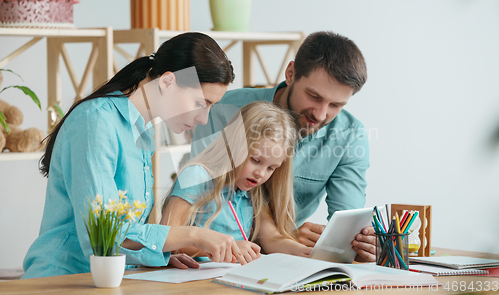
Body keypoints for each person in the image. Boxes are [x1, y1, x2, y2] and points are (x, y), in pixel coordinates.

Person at [22, 32, 247, 279]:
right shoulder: (96, 121)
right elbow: (101, 237)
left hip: (109, 278)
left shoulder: (142, 132)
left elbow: (124, 233)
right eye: (200, 102)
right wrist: (193, 234)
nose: (204, 118)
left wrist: (157, 255)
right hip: (62, 279)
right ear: (168, 82)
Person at [191, 31, 376, 261]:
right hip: (212, 254)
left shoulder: (350, 135)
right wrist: (286, 238)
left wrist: (360, 244)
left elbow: (347, 227)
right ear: (291, 74)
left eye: (335, 105)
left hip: (283, 257)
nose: (320, 115)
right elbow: (200, 196)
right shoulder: (221, 110)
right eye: (314, 96)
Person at [161, 101, 311, 264]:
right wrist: (225, 249)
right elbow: (165, 238)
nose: (260, 173)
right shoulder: (197, 176)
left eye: (271, 168)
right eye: (255, 159)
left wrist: (304, 252)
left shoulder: (253, 190)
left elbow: (272, 239)